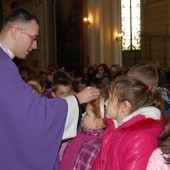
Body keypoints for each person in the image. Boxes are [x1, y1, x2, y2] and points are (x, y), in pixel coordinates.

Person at [0, 8, 100, 170]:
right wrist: (77, 99)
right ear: (14, 31)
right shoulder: (3, 66)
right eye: (33, 38)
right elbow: (32, 113)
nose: (35, 45)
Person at [92, 75, 165, 170]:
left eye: (110, 99)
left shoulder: (142, 138)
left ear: (125, 106)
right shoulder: (113, 128)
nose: (105, 103)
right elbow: (99, 163)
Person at [60, 93, 107, 170]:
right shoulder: (78, 134)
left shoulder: (98, 147)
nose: (82, 114)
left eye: (87, 114)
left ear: (98, 122)